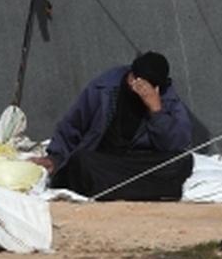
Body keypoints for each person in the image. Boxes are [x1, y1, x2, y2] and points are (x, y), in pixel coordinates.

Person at [38, 51, 194, 201]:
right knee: (81, 161)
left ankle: (113, 189)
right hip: (105, 158)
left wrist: (156, 111)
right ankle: (154, 190)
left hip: (138, 161)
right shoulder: (104, 88)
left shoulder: (166, 98)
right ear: (132, 77)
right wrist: (55, 158)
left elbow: (176, 145)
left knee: (182, 162)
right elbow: (73, 125)